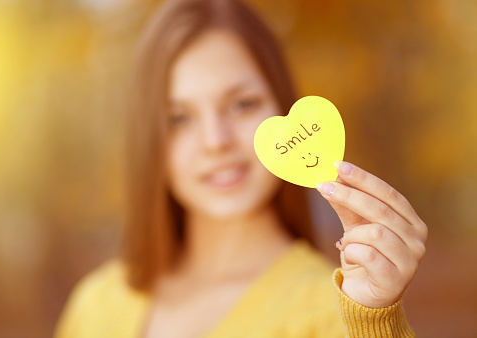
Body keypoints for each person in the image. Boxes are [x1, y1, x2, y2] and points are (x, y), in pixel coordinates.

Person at [54, 0, 427, 337]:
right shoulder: (95, 305)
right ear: (149, 140)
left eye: (242, 105)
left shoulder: (345, 312)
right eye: (180, 118)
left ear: (282, 107)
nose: (216, 140)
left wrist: (376, 324)